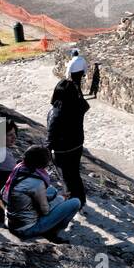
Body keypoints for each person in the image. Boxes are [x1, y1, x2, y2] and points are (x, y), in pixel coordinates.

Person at [3, 146, 81, 241]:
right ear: (43, 163)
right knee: (75, 202)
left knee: (52, 191)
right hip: (26, 229)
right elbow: (45, 211)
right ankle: (52, 232)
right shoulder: (37, 182)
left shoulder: (19, 168)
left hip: (10, 221)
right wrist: (61, 199)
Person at [47, 77, 89, 207]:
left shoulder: (56, 112)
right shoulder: (79, 106)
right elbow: (85, 103)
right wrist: (77, 90)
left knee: (65, 178)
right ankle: (81, 199)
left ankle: (71, 203)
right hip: (77, 145)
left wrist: (46, 151)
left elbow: (51, 135)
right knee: (75, 174)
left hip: (62, 150)